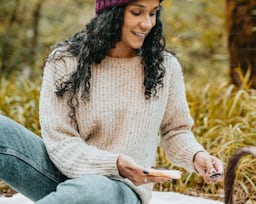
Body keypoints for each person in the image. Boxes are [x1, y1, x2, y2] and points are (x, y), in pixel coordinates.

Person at [0, 0, 224, 203]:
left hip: (122, 187)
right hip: (60, 173)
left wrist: (197, 156)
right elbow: (60, 140)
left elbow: (175, 131)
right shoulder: (65, 61)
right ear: (111, 13)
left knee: (91, 189)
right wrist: (114, 162)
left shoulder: (166, 67)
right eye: (137, 12)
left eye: (153, 13)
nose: (147, 24)